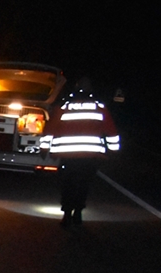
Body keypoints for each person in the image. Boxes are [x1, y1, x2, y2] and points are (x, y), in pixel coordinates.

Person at [41, 88, 120, 226]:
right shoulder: (99, 108)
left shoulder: (64, 107)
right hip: (90, 156)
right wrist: (113, 152)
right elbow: (111, 132)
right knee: (84, 184)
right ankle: (78, 213)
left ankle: (67, 214)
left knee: (68, 184)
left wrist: (44, 149)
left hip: (68, 156)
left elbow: (50, 130)